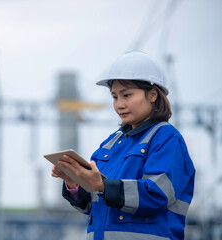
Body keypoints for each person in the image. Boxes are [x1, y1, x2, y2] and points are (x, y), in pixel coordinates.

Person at [51, 50, 195, 240]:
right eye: (115, 97)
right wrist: (73, 182)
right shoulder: (110, 144)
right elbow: (91, 206)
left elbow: (157, 194)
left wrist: (102, 185)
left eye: (127, 95)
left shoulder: (166, 138)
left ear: (152, 95)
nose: (119, 104)